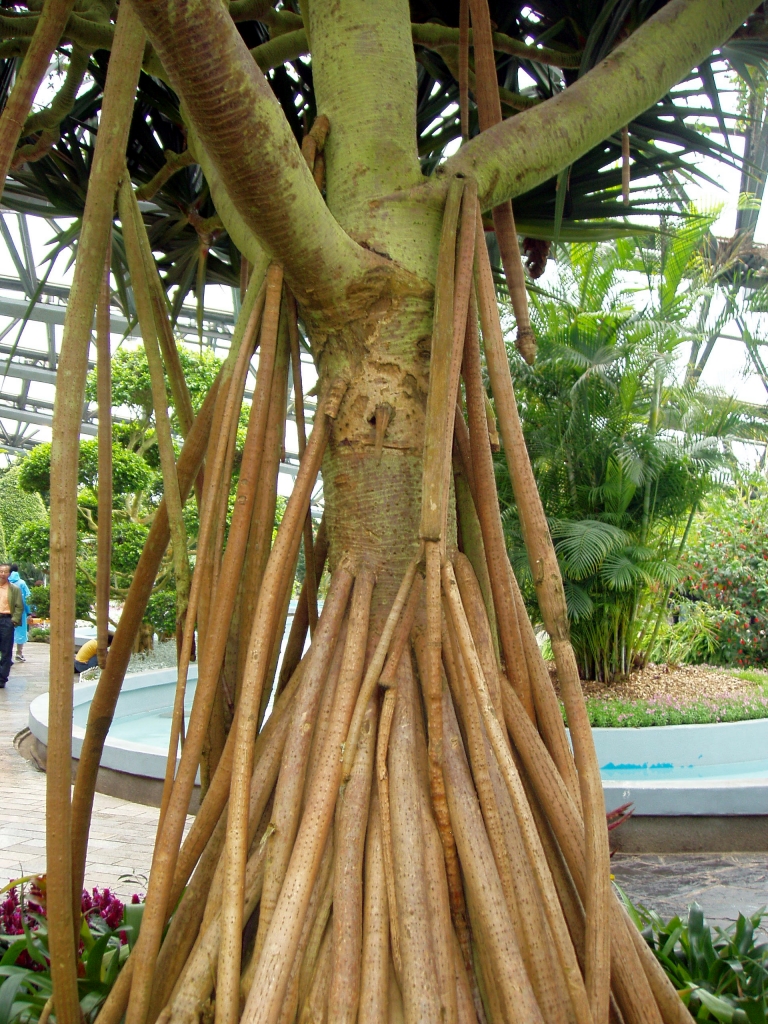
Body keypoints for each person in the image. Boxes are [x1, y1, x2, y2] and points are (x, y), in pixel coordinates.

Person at [0, 563, 23, 688]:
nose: (3, 574)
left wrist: (14, 620)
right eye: (1, 571)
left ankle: (2, 678)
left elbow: (19, 606)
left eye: (5, 572)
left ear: (9, 574)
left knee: (6, 650)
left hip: (6, 620)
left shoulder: (14, 589)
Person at [8, 565, 30, 663]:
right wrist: (29, 611)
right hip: (20, 612)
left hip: (6, 612)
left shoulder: (5, 582)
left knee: (7, 633)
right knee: (20, 632)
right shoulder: (21, 583)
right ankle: (19, 653)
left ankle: (7, 656)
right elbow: (27, 598)